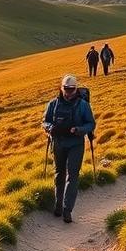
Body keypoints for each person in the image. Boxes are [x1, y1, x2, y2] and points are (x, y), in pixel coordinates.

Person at [42, 74, 96, 222]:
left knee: (72, 176)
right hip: (58, 143)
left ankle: (67, 209)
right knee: (59, 174)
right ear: (62, 88)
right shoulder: (53, 104)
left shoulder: (83, 105)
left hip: (75, 145)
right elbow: (44, 122)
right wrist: (50, 127)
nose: (68, 92)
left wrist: (78, 130)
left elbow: (91, 124)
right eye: (66, 89)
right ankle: (58, 206)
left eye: (71, 90)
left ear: (76, 89)